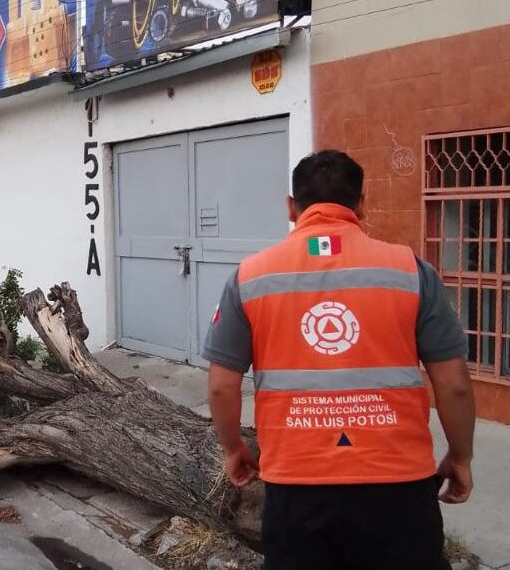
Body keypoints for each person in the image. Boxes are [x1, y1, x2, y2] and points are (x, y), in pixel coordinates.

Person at [203, 150, 475, 570]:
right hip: (398, 483)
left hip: (297, 485)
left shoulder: (250, 277)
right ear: (361, 204)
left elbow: (222, 385)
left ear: (291, 208)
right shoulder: (410, 271)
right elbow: (454, 383)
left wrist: (233, 447)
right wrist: (460, 456)